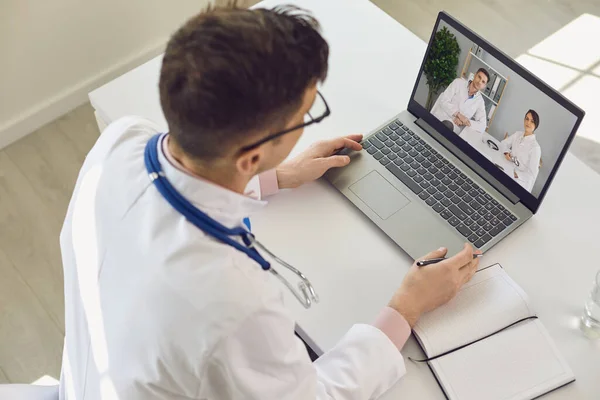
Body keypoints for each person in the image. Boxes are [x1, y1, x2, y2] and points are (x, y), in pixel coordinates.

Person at [58, 5, 480, 400]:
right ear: (251, 154)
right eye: (304, 116)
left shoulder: (122, 140)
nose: (305, 124)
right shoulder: (232, 305)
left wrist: (274, 175)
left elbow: (187, 178)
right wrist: (407, 308)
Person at [430, 68, 490, 134]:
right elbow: (443, 100)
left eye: (483, 82)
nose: (479, 82)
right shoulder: (458, 82)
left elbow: (482, 126)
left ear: (484, 86)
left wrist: (464, 122)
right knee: (446, 126)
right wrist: (459, 115)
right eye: (479, 77)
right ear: (475, 75)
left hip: (456, 127)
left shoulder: (480, 101)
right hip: (442, 118)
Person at [501, 109, 542, 192]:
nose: (528, 123)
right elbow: (503, 143)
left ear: (536, 125)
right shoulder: (517, 134)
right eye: (527, 119)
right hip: (508, 169)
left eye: (532, 121)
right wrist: (506, 152)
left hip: (519, 182)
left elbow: (532, 175)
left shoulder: (535, 148)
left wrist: (517, 175)